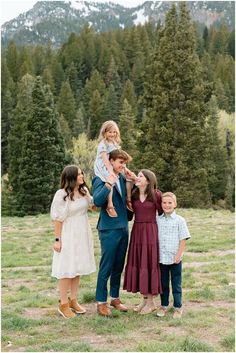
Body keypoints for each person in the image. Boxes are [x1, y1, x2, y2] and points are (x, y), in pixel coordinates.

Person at [92, 149, 135, 317]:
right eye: (120, 162)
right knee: (107, 266)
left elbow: (127, 200)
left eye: (124, 163)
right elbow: (97, 201)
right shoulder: (100, 179)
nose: (122, 165)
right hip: (108, 228)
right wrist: (109, 183)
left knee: (118, 266)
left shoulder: (124, 179)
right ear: (110, 161)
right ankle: (101, 302)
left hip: (124, 227)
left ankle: (115, 298)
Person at [51, 165, 96, 319]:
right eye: (78, 175)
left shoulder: (83, 192)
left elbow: (92, 206)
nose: (82, 176)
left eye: (82, 174)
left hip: (82, 232)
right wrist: (57, 240)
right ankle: (63, 304)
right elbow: (57, 218)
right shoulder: (61, 194)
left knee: (77, 268)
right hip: (68, 233)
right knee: (66, 268)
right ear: (70, 177)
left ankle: (73, 300)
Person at [123, 169, 163, 314]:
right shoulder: (133, 195)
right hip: (137, 231)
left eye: (141, 176)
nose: (138, 178)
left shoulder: (156, 195)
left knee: (149, 263)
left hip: (151, 231)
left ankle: (151, 302)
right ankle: (144, 300)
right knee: (140, 263)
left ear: (148, 180)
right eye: (138, 175)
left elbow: (163, 213)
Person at [156, 192, 191, 319]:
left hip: (175, 258)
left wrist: (179, 254)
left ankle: (178, 307)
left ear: (175, 204)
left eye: (170, 203)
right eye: (164, 203)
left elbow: (183, 239)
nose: (167, 205)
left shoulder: (180, 220)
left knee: (176, 283)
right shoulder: (158, 220)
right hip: (161, 258)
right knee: (163, 283)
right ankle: (164, 305)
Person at [94, 120, 136, 218]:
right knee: (110, 180)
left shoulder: (115, 143)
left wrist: (126, 169)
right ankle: (110, 204)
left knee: (128, 178)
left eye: (114, 132)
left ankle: (128, 199)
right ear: (104, 132)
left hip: (112, 164)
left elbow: (120, 158)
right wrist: (111, 172)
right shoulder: (102, 144)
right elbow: (105, 159)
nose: (112, 134)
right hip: (103, 165)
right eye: (110, 132)